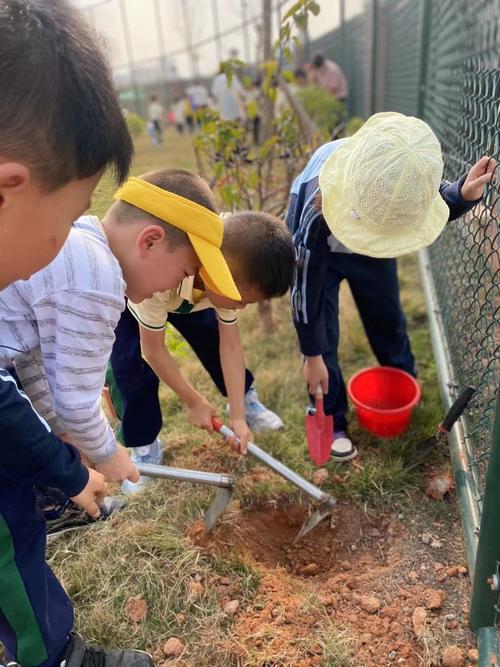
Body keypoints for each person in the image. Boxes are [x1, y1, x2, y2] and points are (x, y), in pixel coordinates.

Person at [0, 1, 155, 666]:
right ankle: (49, 655)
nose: (64, 242)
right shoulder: (91, 275)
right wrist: (74, 470)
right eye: (65, 219)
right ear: (8, 187)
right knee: (11, 542)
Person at [0, 168, 241, 488]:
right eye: (185, 271)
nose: (178, 284)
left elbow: (32, 358)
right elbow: (76, 402)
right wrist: (108, 453)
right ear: (151, 241)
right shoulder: (98, 281)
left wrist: (64, 432)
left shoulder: (81, 244)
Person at [286, 111, 495, 462]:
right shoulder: (313, 206)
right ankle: (331, 414)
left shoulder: (402, 179)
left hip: (377, 244)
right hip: (325, 248)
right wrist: (311, 353)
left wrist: (460, 194)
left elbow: (429, 201)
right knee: (323, 330)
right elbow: (303, 288)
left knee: (386, 317)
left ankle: (402, 385)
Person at [107, 210, 295, 493]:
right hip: (135, 290)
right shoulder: (160, 279)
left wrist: (238, 417)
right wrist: (193, 401)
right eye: (242, 301)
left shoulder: (232, 258)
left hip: (194, 289)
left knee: (212, 335)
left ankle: (245, 398)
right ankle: (144, 443)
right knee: (127, 370)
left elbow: (229, 345)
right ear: (218, 276)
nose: (242, 308)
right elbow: (154, 351)